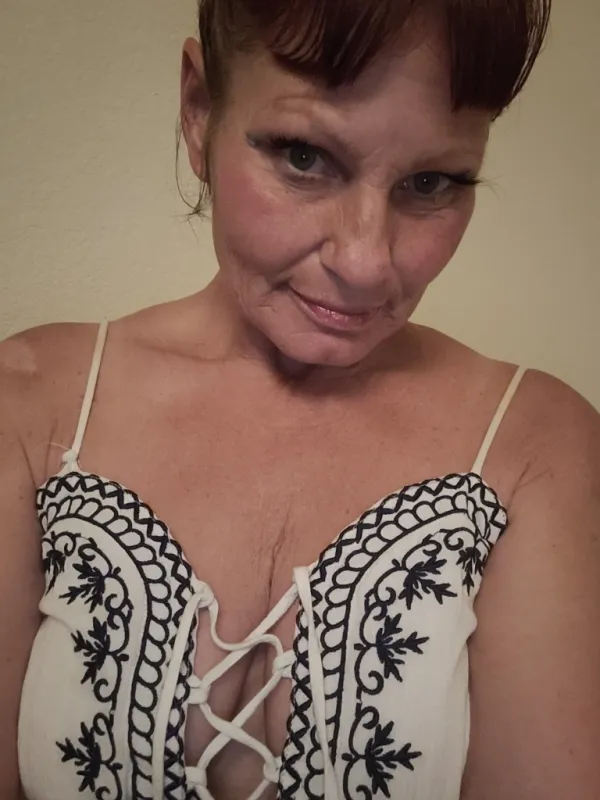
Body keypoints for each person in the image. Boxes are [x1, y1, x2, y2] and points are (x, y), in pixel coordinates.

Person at [2, 0, 599, 798]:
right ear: (199, 109)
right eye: (305, 157)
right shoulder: (33, 407)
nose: (365, 261)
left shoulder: (537, 449)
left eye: (431, 183)